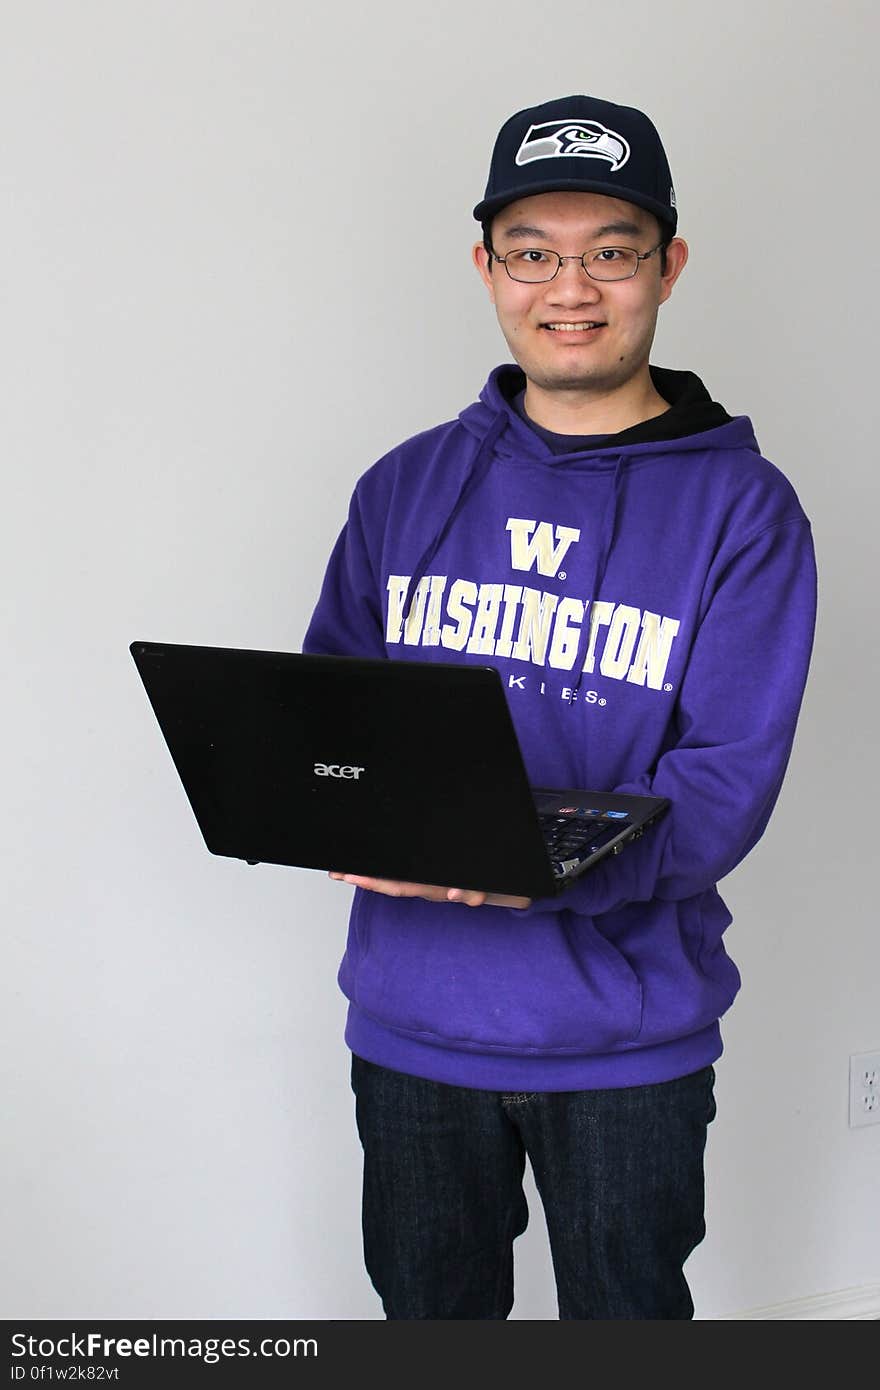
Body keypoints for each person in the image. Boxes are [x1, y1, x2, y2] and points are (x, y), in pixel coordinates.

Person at [302, 93, 817, 1319]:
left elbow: (722, 786)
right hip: (414, 1028)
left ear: (667, 267)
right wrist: (330, 807)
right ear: (487, 268)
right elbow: (333, 724)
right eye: (533, 252)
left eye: (610, 253)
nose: (569, 288)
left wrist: (513, 853)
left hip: (626, 1043)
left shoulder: (746, 513)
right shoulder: (405, 486)